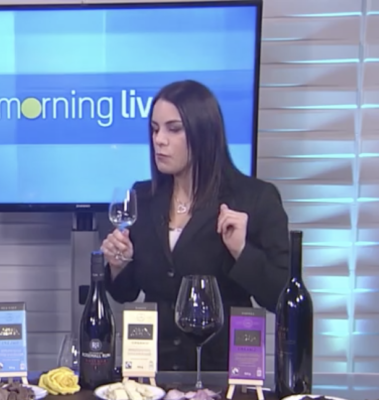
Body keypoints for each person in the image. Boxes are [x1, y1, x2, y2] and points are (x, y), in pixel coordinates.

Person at [102, 80, 289, 373]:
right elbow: (125, 293)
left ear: (204, 132)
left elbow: (280, 296)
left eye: (173, 129)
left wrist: (241, 251)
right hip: (153, 372)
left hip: (221, 373)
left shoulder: (254, 199)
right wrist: (118, 265)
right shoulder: (143, 197)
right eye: (155, 129)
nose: (159, 140)